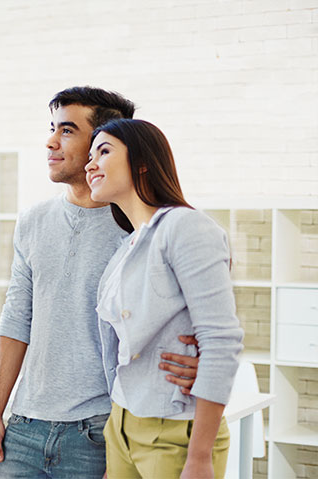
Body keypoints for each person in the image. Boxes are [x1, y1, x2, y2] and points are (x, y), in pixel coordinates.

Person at [0, 87, 202, 479]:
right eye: (52, 128)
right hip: (24, 428)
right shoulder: (32, 221)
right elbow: (16, 319)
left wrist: (199, 358)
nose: (50, 141)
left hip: (99, 431)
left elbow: (198, 325)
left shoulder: (142, 228)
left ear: (103, 143)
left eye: (67, 131)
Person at [85, 118, 243, 478]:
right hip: (122, 423)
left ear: (143, 163)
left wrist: (200, 455)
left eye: (104, 152)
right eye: (90, 155)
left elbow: (221, 339)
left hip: (176, 430)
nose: (90, 164)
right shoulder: (129, 245)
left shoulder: (185, 227)